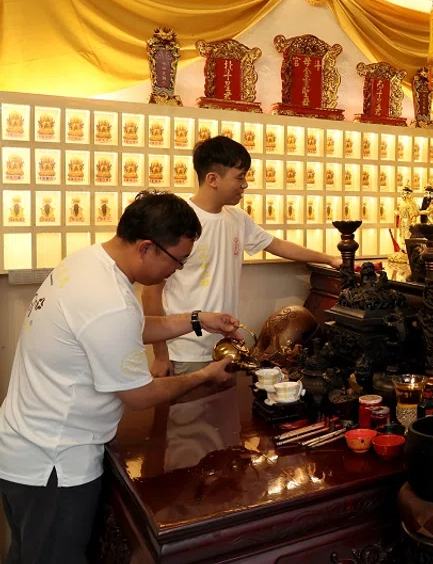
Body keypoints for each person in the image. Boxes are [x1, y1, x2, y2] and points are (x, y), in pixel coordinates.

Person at [0, 191, 239, 563]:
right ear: (146, 247)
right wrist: (204, 375)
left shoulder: (87, 263)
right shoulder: (110, 299)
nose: (177, 271)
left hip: (23, 446)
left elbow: (127, 328)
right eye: (178, 261)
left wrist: (197, 319)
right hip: (55, 464)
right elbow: (139, 395)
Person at [146, 137, 341, 378]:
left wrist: (329, 259)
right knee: (187, 414)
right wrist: (161, 355)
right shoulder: (179, 222)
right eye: (239, 177)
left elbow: (276, 244)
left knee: (225, 413)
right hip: (187, 350)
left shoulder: (236, 218)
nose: (245, 185)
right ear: (212, 179)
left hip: (227, 346)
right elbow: (152, 292)